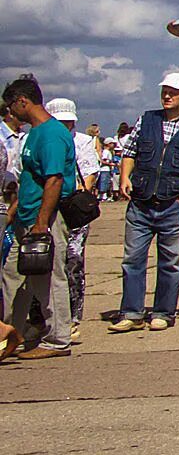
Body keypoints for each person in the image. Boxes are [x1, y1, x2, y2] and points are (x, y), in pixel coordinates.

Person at [112, 72, 179, 333]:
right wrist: (125, 176)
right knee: (133, 259)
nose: (167, 95)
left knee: (171, 261)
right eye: (165, 90)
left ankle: (163, 311)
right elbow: (130, 152)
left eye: (174, 91)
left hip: (174, 203)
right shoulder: (147, 120)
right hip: (142, 200)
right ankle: (131, 312)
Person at [2, 74, 76, 358]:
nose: (10, 113)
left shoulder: (51, 135)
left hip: (45, 218)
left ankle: (57, 339)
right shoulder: (34, 132)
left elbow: (54, 179)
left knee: (48, 278)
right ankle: (10, 333)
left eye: (11, 106)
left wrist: (43, 221)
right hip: (26, 216)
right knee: (14, 275)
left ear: (23, 102)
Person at [46, 97, 95, 330]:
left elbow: (89, 173)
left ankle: (73, 316)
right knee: (43, 261)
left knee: (73, 260)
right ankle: (43, 316)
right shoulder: (38, 138)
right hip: (46, 208)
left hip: (72, 208)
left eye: (68, 122)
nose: (65, 126)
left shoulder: (82, 142)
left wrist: (76, 196)